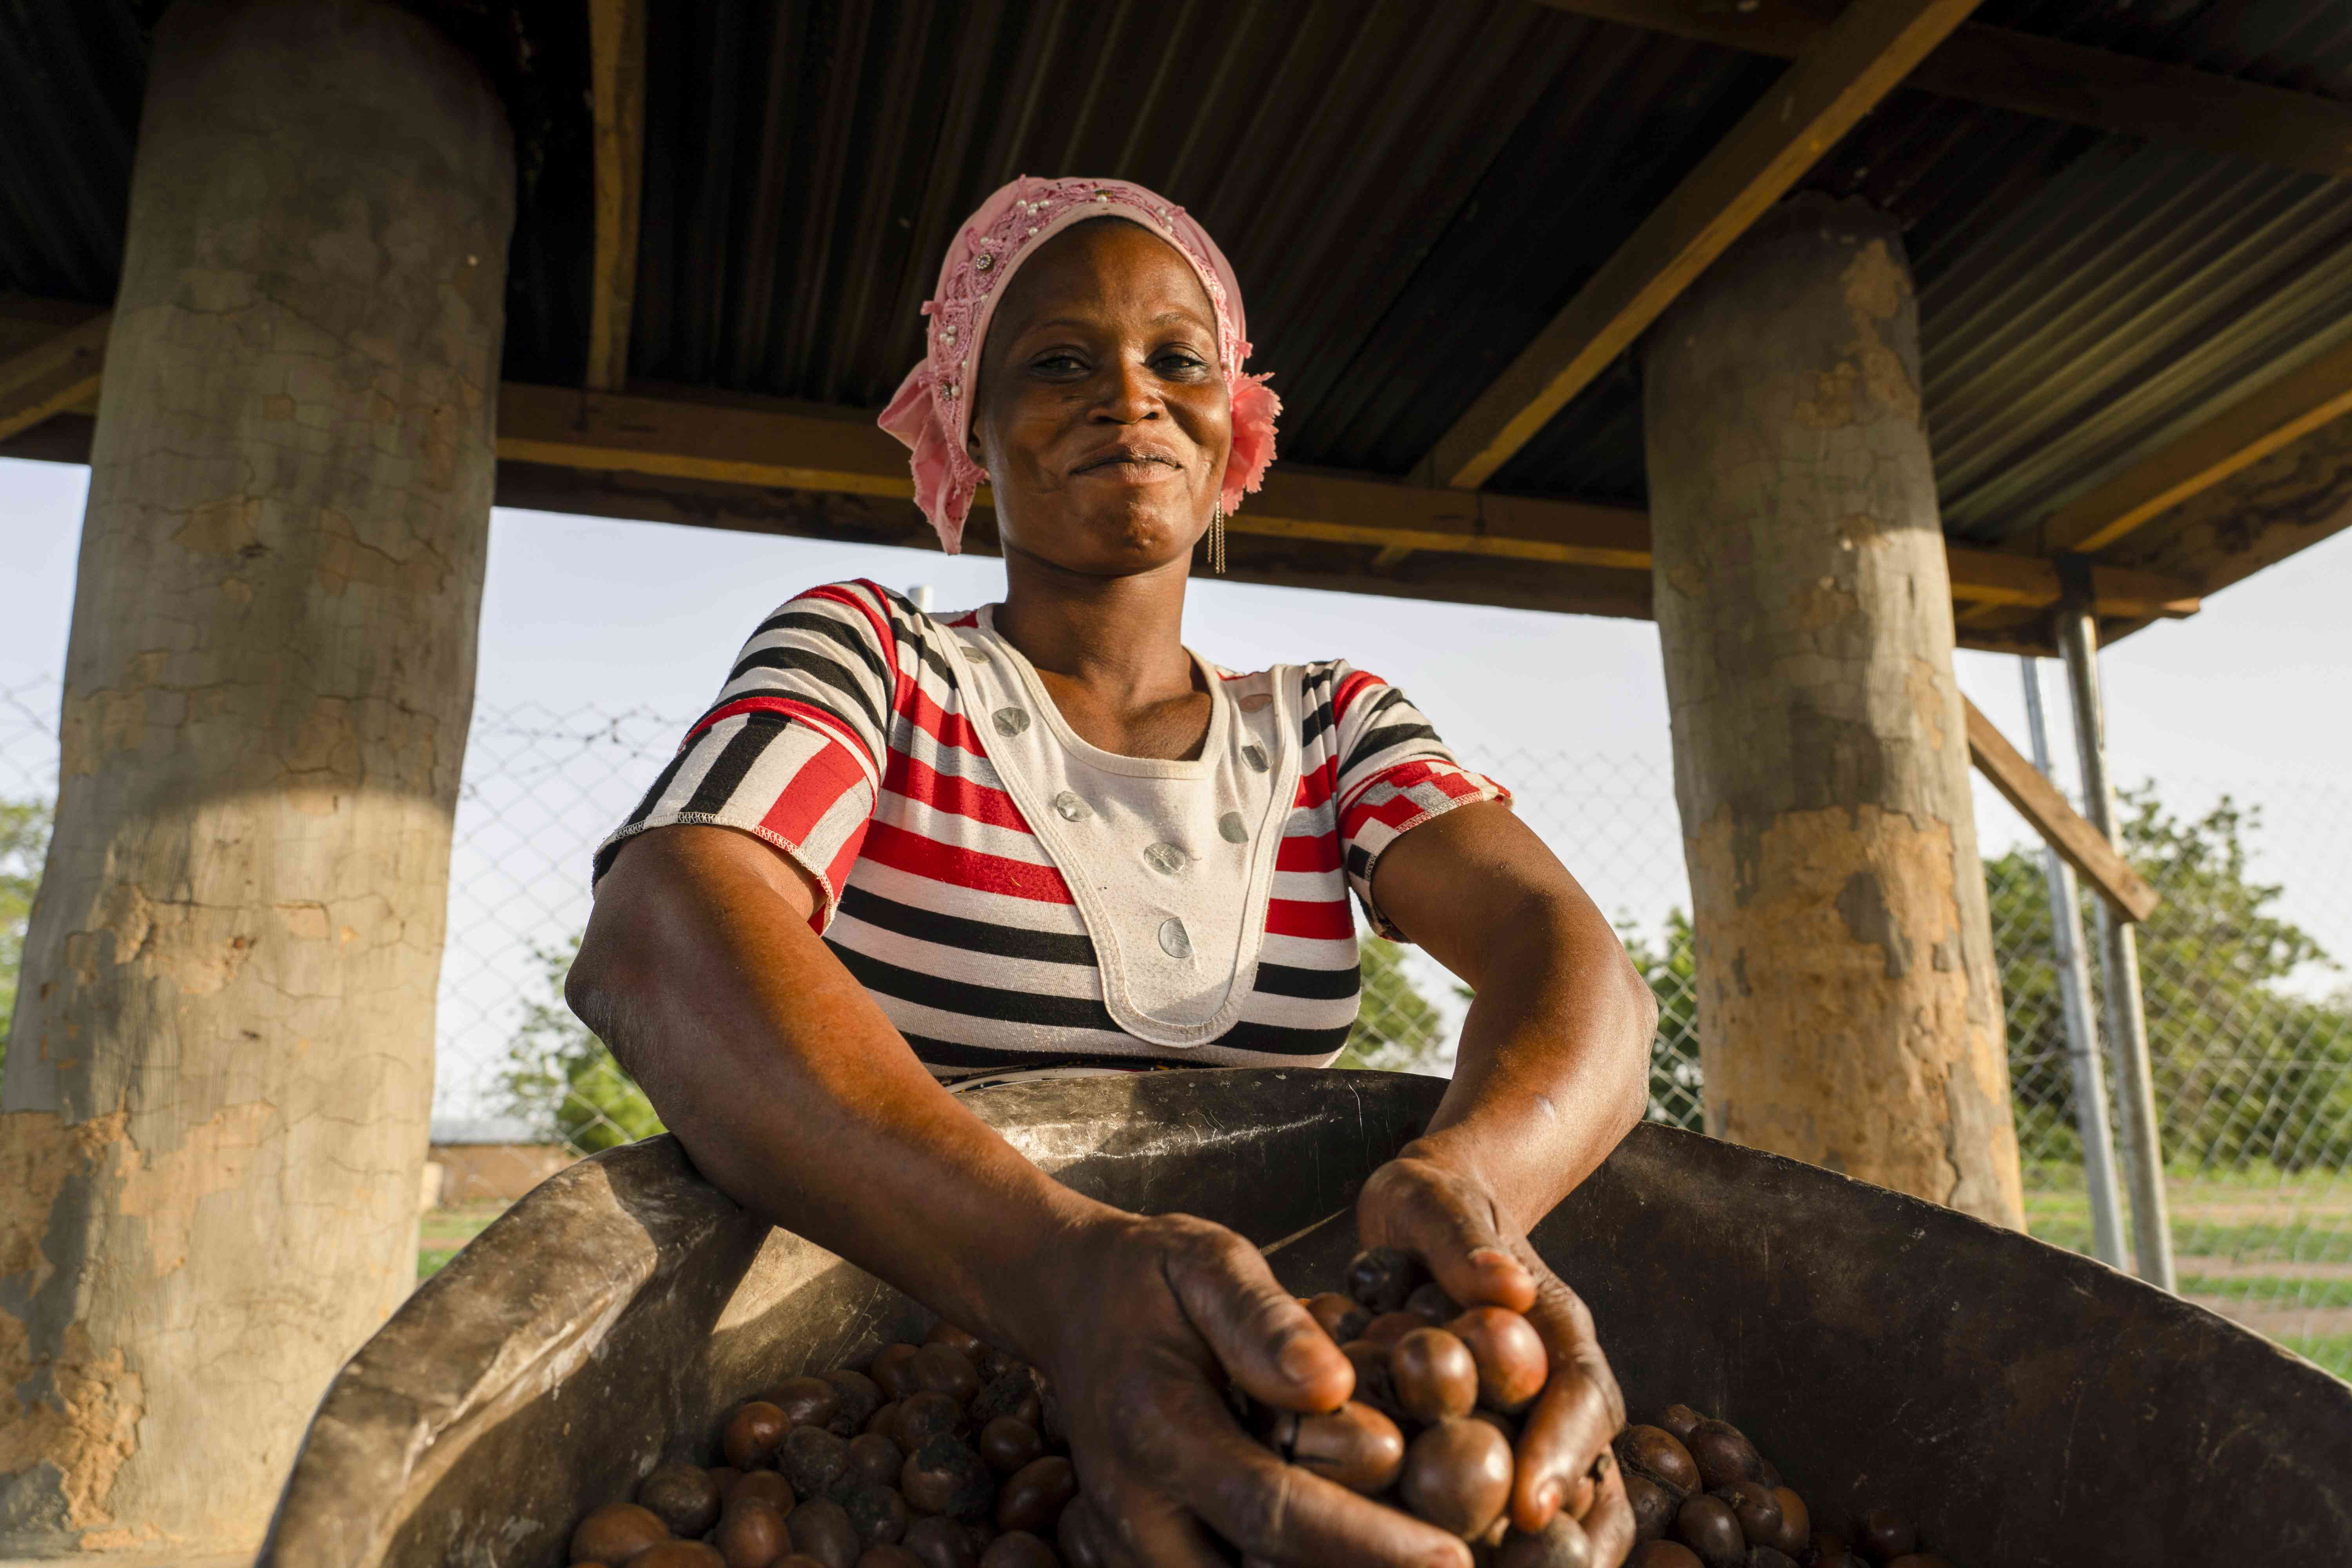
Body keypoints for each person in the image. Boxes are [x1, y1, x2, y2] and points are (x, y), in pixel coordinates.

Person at [570, 175, 1656, 1567]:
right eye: (1060, 364)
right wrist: (1057, 1278)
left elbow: (1566, 954)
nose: (1129, 397)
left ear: (1232, 422)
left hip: (1267, 1365)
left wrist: (1472, 1190)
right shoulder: (879, 660)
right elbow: (663, 928)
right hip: (909, 1385)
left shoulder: (1331, 729)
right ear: (967, 422)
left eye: (1177, 360)